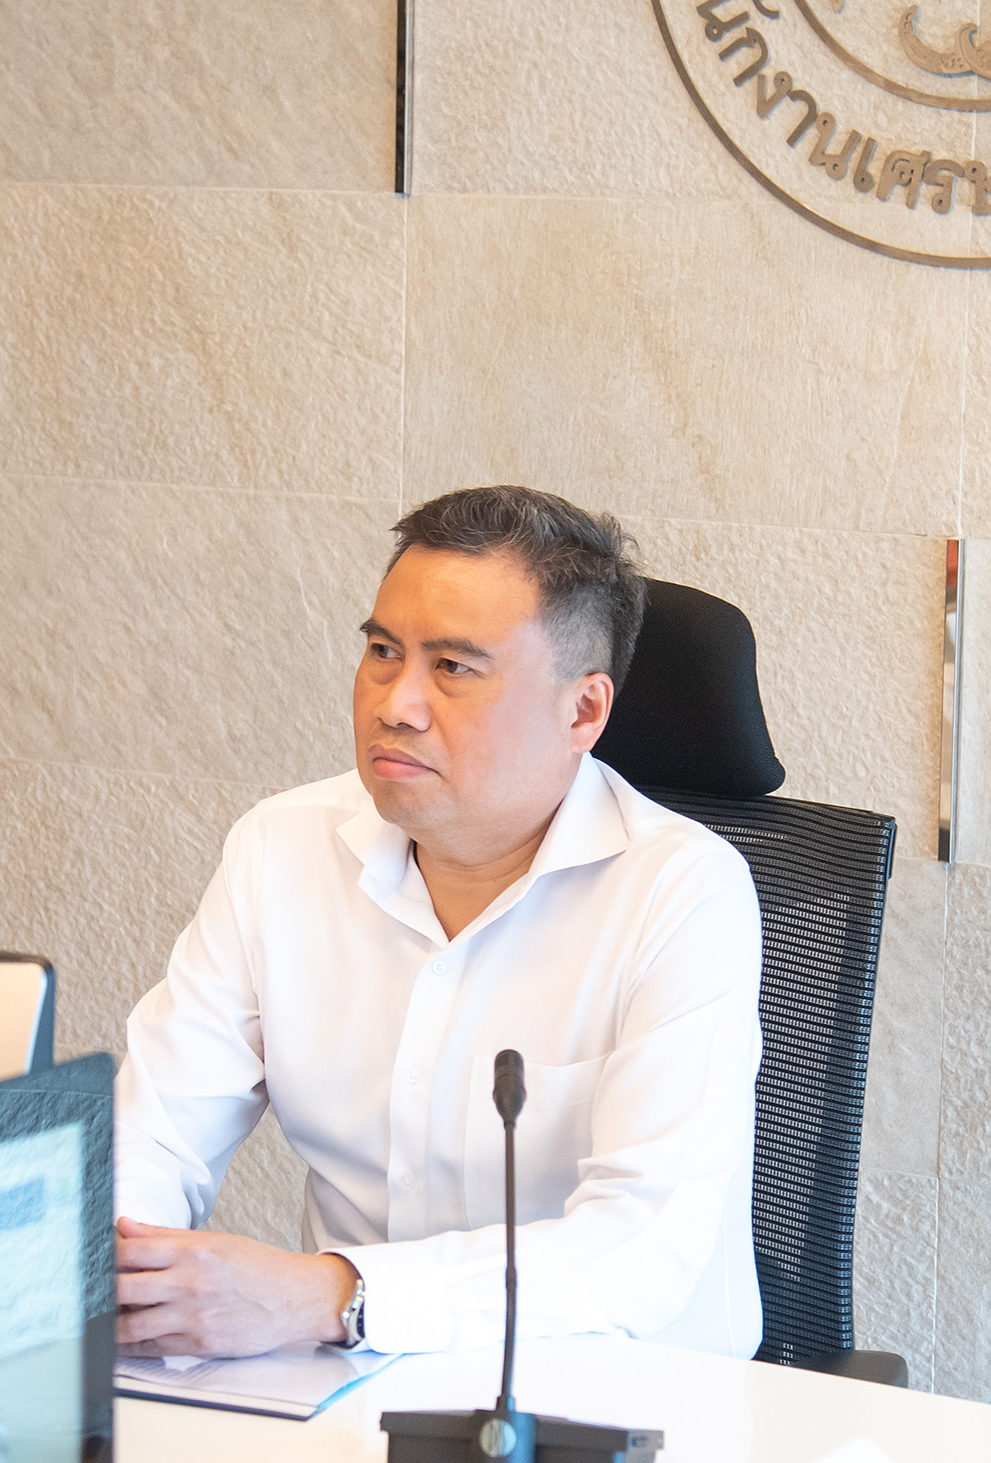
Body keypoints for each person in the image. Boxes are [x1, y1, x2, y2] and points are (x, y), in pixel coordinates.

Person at [113, 486, 763, 1360]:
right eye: (383, 651)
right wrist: (128, 1261)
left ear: (583, 711)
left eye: (452, 667)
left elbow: (639, 1248)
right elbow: (157, 1129)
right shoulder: (280, 848)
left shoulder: (684, 893)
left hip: (616, 1390)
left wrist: (334, 1294)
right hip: (340, 1387)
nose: (396, 703)